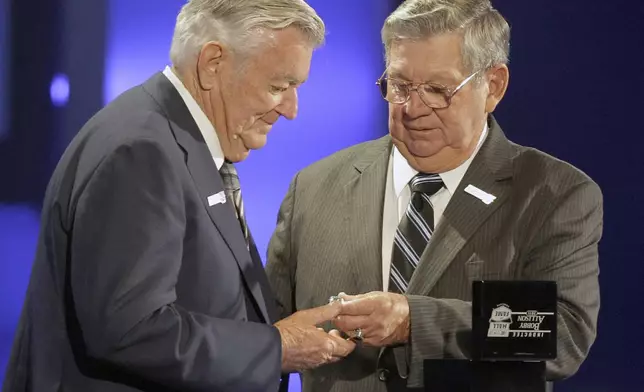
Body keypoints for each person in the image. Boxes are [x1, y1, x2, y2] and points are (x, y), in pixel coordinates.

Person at [2, 1, 356, 391]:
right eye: (278, 86)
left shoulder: (176, 139)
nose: (291, 110)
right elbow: (132, 329)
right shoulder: (141, 153)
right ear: (212, 63)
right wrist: (278, 346)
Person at [265, 0, 603, 391]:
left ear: (493, 86)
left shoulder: (552, 194)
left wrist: (413, 320)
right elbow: (268, 337)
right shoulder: (313, 187)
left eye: (438, 90)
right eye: (400, 86)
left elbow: (564, 334)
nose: (413, 109)